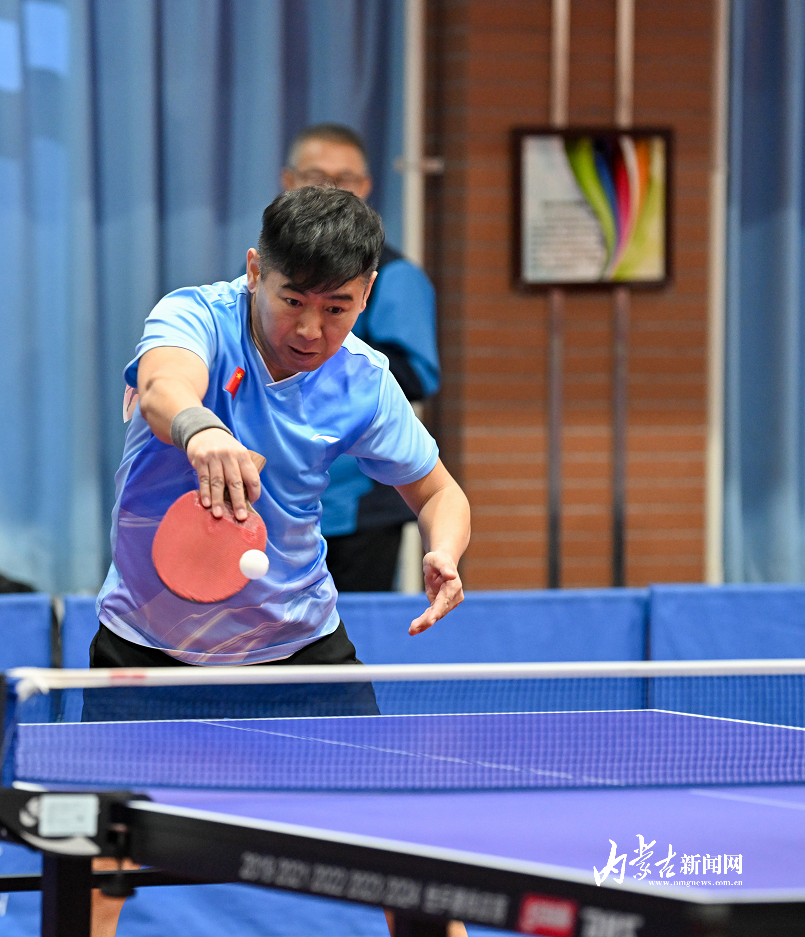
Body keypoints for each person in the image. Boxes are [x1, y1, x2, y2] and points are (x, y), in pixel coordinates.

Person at [90, 186, 470, 936]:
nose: (309, 327)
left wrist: (444, 549)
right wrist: (201, 430)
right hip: (146, 649)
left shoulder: (362, 378)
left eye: (336, 307)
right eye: (292, 298)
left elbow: (439, 491)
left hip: (297, 649)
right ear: (255, 269)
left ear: (366, 293)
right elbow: (165, 385)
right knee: (101, 865)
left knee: (406, 859)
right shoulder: (196, 316)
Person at [282, 124, 440, 591]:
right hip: (274, 495)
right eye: (316, 177)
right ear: (288, 182)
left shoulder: (394, 275)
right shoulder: (267, 273)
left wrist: (313, 361)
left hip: (358, 502)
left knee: (351, 629)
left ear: (366, 187)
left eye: (345, 179)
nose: (331, 190)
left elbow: (415, 374)